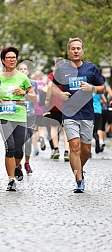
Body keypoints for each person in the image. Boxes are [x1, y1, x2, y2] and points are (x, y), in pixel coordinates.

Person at [51, 37, 104, 193]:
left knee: (86, 150)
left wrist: (91, 88)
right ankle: (79, 180)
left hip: (87, 114)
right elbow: (52, 87)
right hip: (69, 114)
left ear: (82, 50)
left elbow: (101, 88)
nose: (75, 51)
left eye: (78, 48)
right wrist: (60, 94)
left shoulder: (91, 68)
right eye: (73, 48)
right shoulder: (62, 69)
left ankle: (79, 169)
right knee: (74, 147)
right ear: (68, 51)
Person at [0, 47, 36, 191]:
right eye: (9, 57)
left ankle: (18, 166)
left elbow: (34, 96)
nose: (12, 60)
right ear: (3, 60)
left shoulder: (23, 77)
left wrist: (24, 92)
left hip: (20, 115)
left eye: (14, 57)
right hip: (4, 115)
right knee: (10, 147)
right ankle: (11, 179)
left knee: (19, 151)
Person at [18, 62, 38, 174]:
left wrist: (25, 93)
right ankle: (18, 162)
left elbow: (35, 98)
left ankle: (27, 163)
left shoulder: (33, 83)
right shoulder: (15, 82)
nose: (23, 71)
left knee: (28, 141)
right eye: (20, 69)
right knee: (19, 141)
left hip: (30, 114)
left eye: (25, 69)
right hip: (18, 115)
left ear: (28, 71)